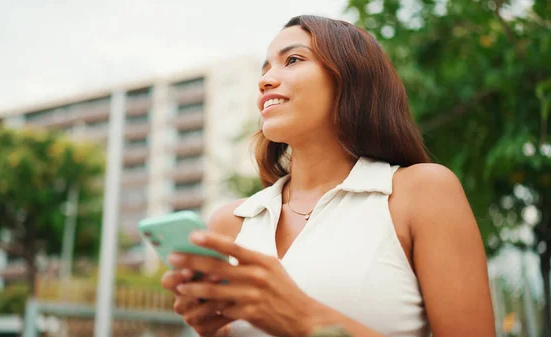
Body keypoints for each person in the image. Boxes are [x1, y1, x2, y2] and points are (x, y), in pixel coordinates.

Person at [161, 15, 496, 337]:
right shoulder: (230, 222)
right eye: (265, 69)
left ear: (350, 78)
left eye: (292, 60)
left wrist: (305, 320)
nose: (265, 80)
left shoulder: (422, 192)